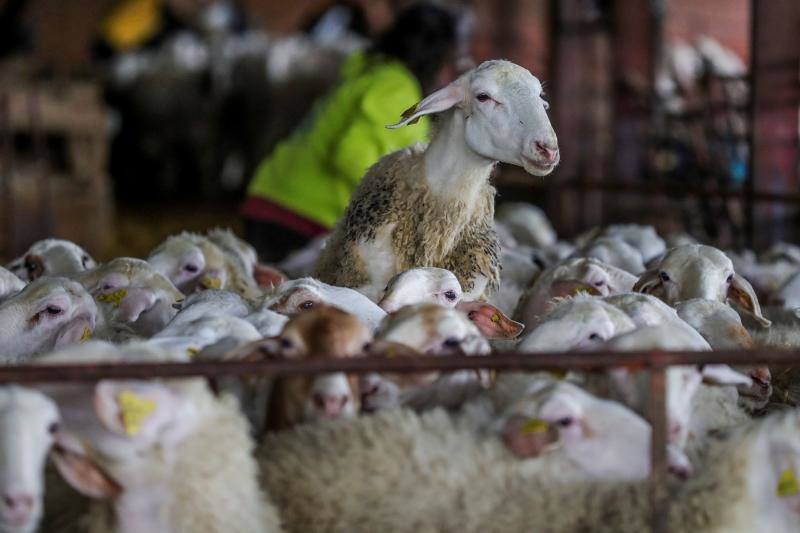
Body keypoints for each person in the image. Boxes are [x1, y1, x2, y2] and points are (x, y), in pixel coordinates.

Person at [242, 2, 466, 262]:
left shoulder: (371, 73)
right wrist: (403, 207)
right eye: (451, 60)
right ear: (434, 56)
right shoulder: (395, 88)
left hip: (276, 198)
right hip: (302, 216)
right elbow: (351, 155)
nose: (452, 72)